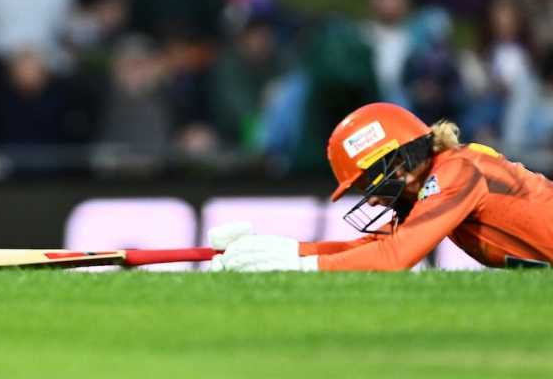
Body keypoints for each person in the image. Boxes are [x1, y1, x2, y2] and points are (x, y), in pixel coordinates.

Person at [209, 102, 553, 271]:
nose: (372, 199)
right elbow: (369, 246)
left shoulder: (458, 173)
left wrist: (296, 265)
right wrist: (280, 249)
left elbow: (394, 257)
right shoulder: (440, 175)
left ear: (399, 160)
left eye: (369, 182)